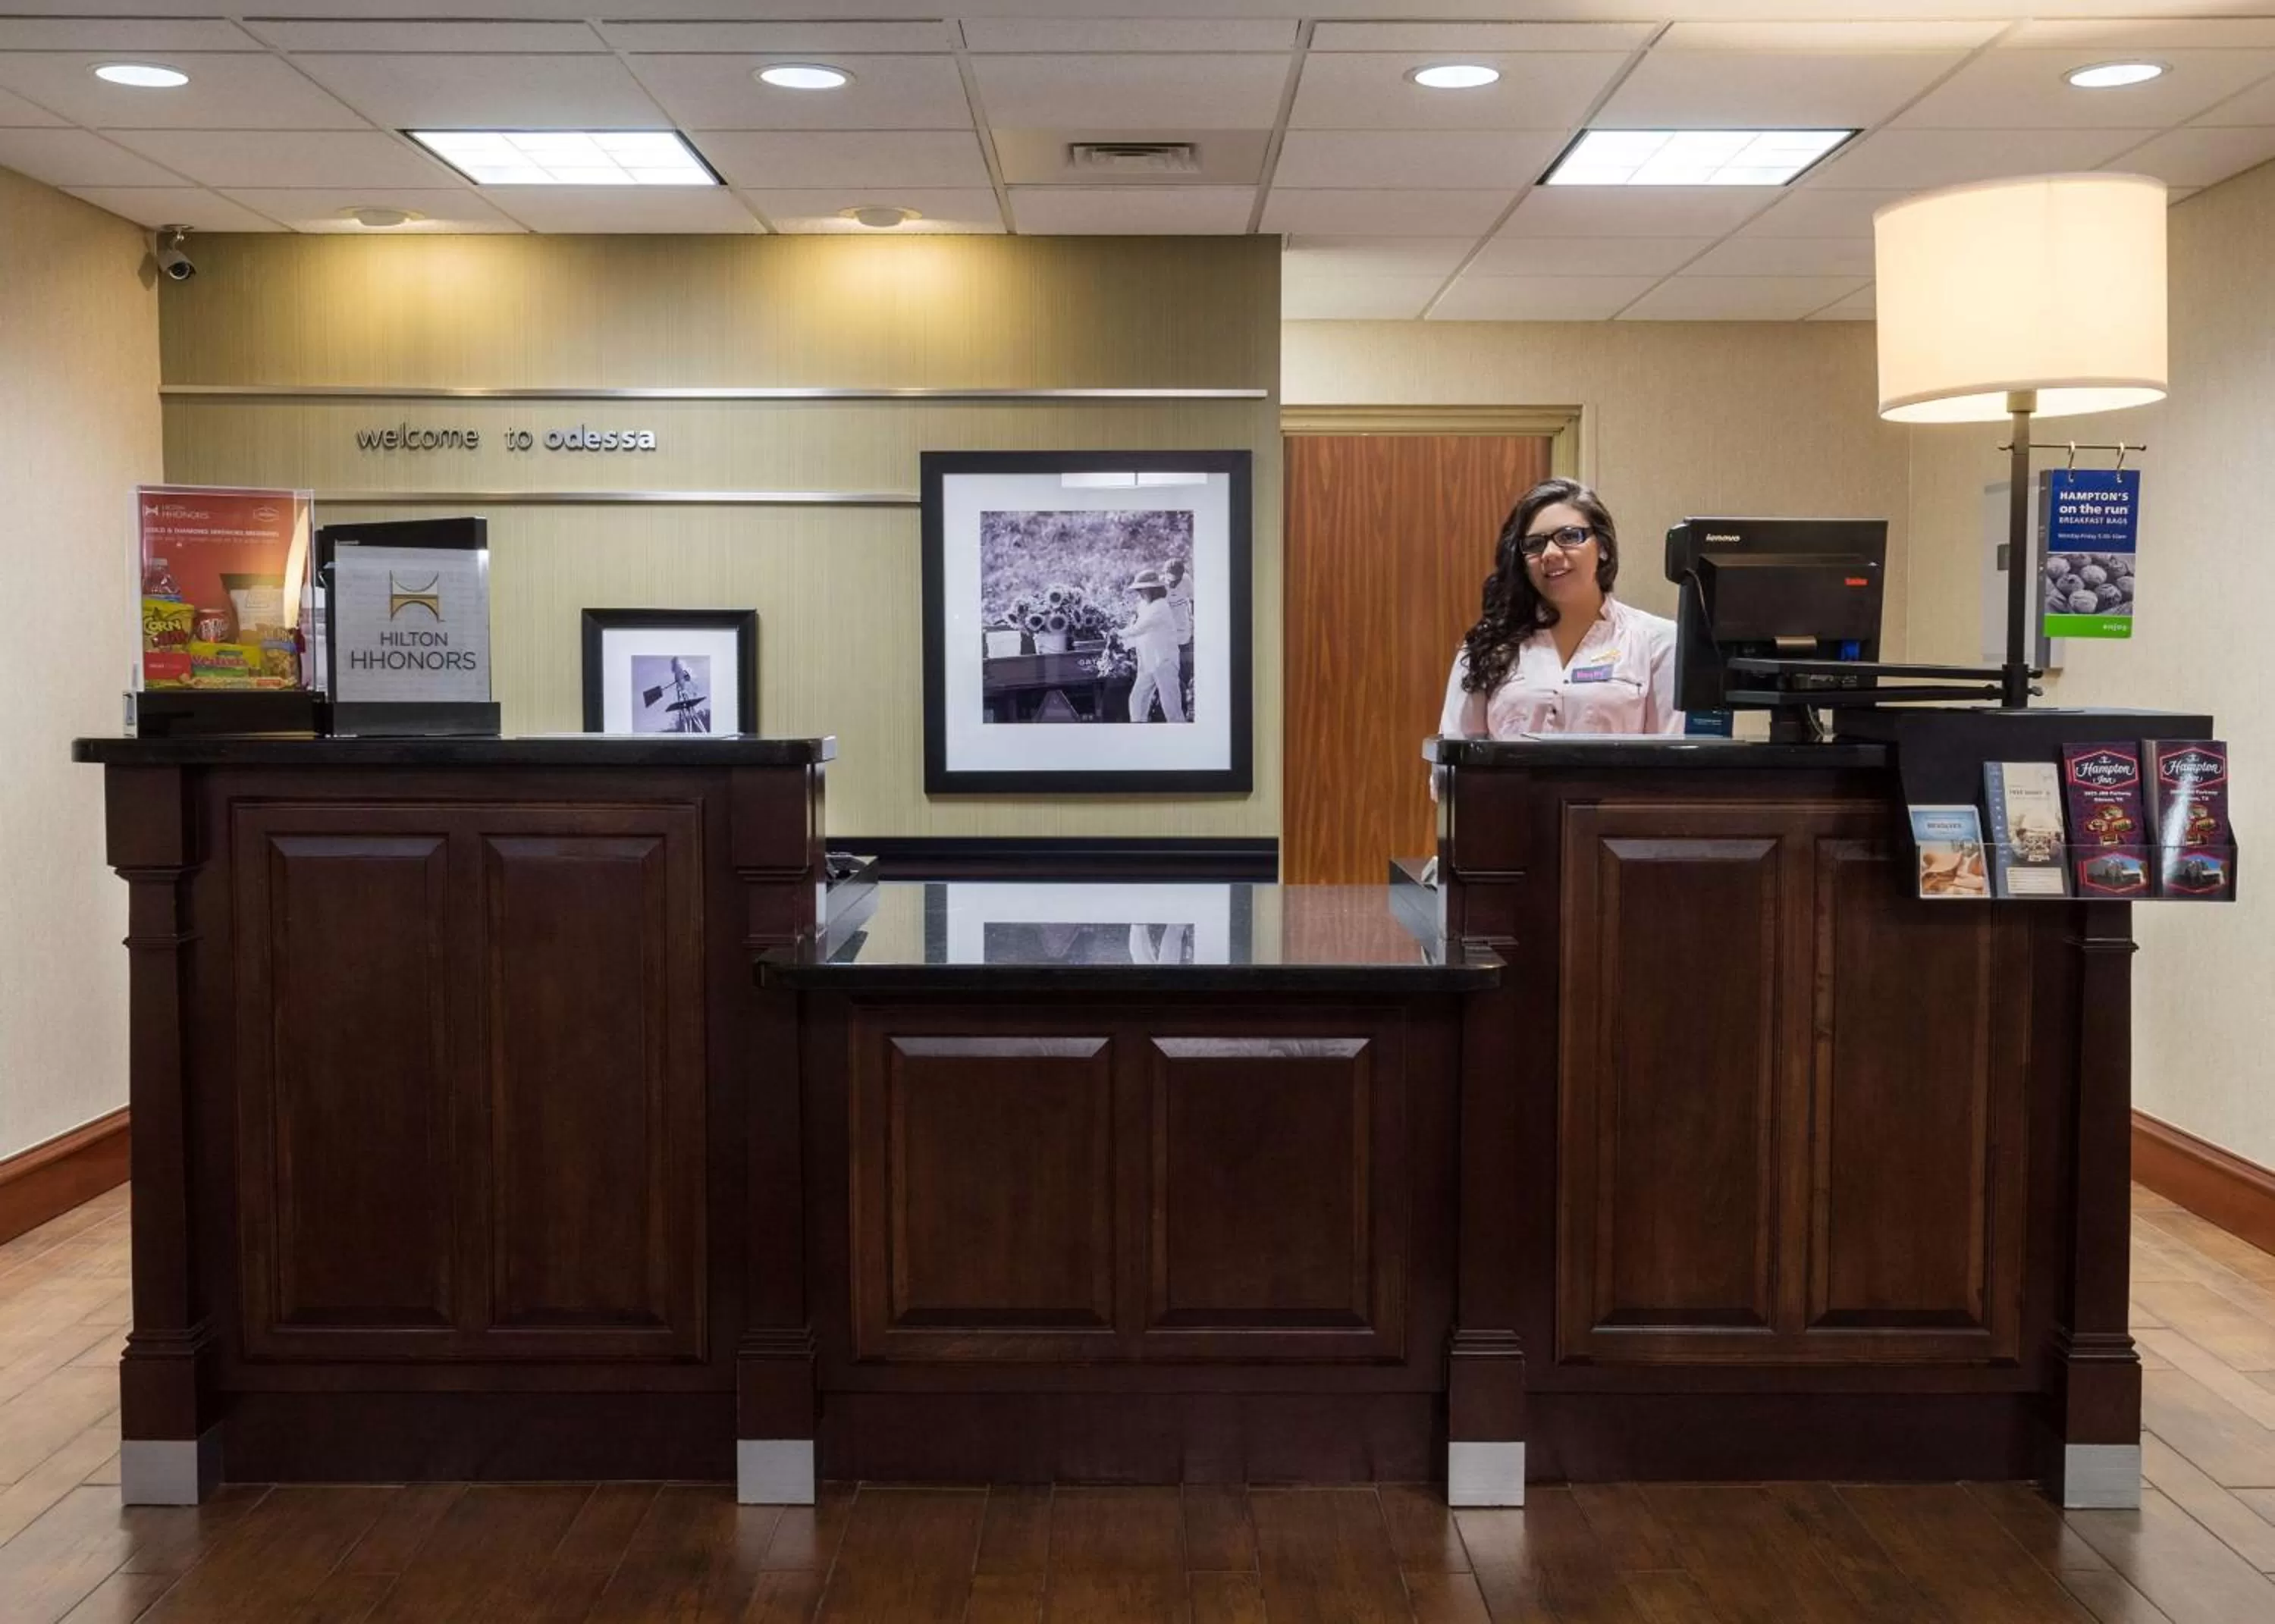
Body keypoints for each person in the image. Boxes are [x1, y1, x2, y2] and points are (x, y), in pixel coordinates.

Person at [1439, 477, 1680, 742]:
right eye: (1534, 544)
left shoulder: (1658, 643)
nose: (1550, 553)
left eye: (1568, 537)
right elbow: (1453, 761)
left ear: (1603, 547)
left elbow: (1673, 764)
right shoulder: (1489, 644)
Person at [1122, 568, 1185, 723]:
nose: (1140, 594)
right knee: (1137, 700)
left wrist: (1118, 634)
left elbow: (1141, 628)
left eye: (1142, 590)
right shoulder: (1144, 605)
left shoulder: (1160, 607)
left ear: (1152, 589)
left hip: (1164, 662)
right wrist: (1124, 643)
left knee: (1171, 707)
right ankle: (1139, 732)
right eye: (1139, 590)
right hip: (1149, 662)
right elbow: (1138, 631)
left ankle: (1181, 736)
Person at [1163, 558, 1195, 716]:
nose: (1174, 585)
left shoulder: (1187, 581)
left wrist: (1196, 623)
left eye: (1177, 581)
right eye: (1171, 582)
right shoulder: (1159, 587)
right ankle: (1180, 709)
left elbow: (1194, 601)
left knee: (1186, 672)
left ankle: (1187, 707)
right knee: (1173, 676)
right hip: (1168, 638)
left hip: (1185, 634)